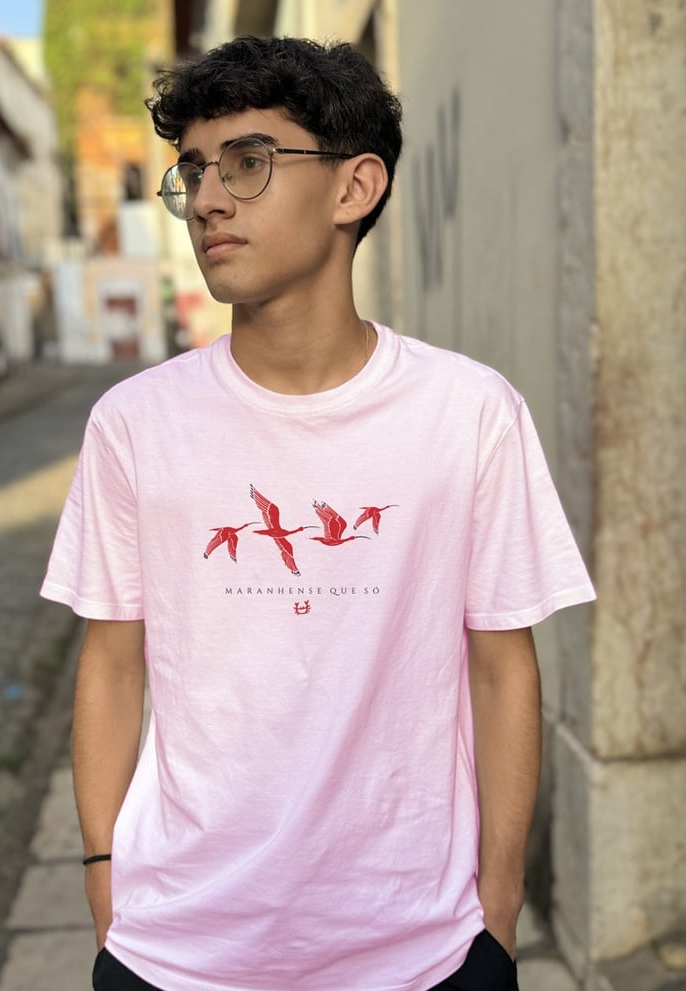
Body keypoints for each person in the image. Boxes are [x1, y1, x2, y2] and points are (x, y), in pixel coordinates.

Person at [41, 35, 595, 991]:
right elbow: (113, 662)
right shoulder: (135, 424)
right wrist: (105, 880)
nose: (207, 199)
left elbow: (503, 666)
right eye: (194, 170)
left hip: (418, 947)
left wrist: (497, 911)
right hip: (178, 950)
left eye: (248, 162)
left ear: (355, 187)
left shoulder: (468, 414)